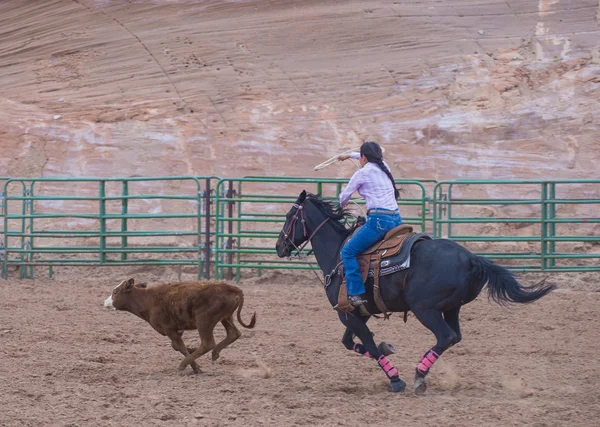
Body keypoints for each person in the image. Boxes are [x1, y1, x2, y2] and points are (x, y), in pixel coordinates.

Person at [338, 141, 402, 307]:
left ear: (364, 157)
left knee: (348, 251)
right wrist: (349, 155)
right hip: (396, 219)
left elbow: (344, 197)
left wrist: (341, 202)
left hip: (379, 221)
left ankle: (356, 293)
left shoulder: (362, 173)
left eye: (360, 157)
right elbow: (373, 154)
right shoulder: (384, 166)